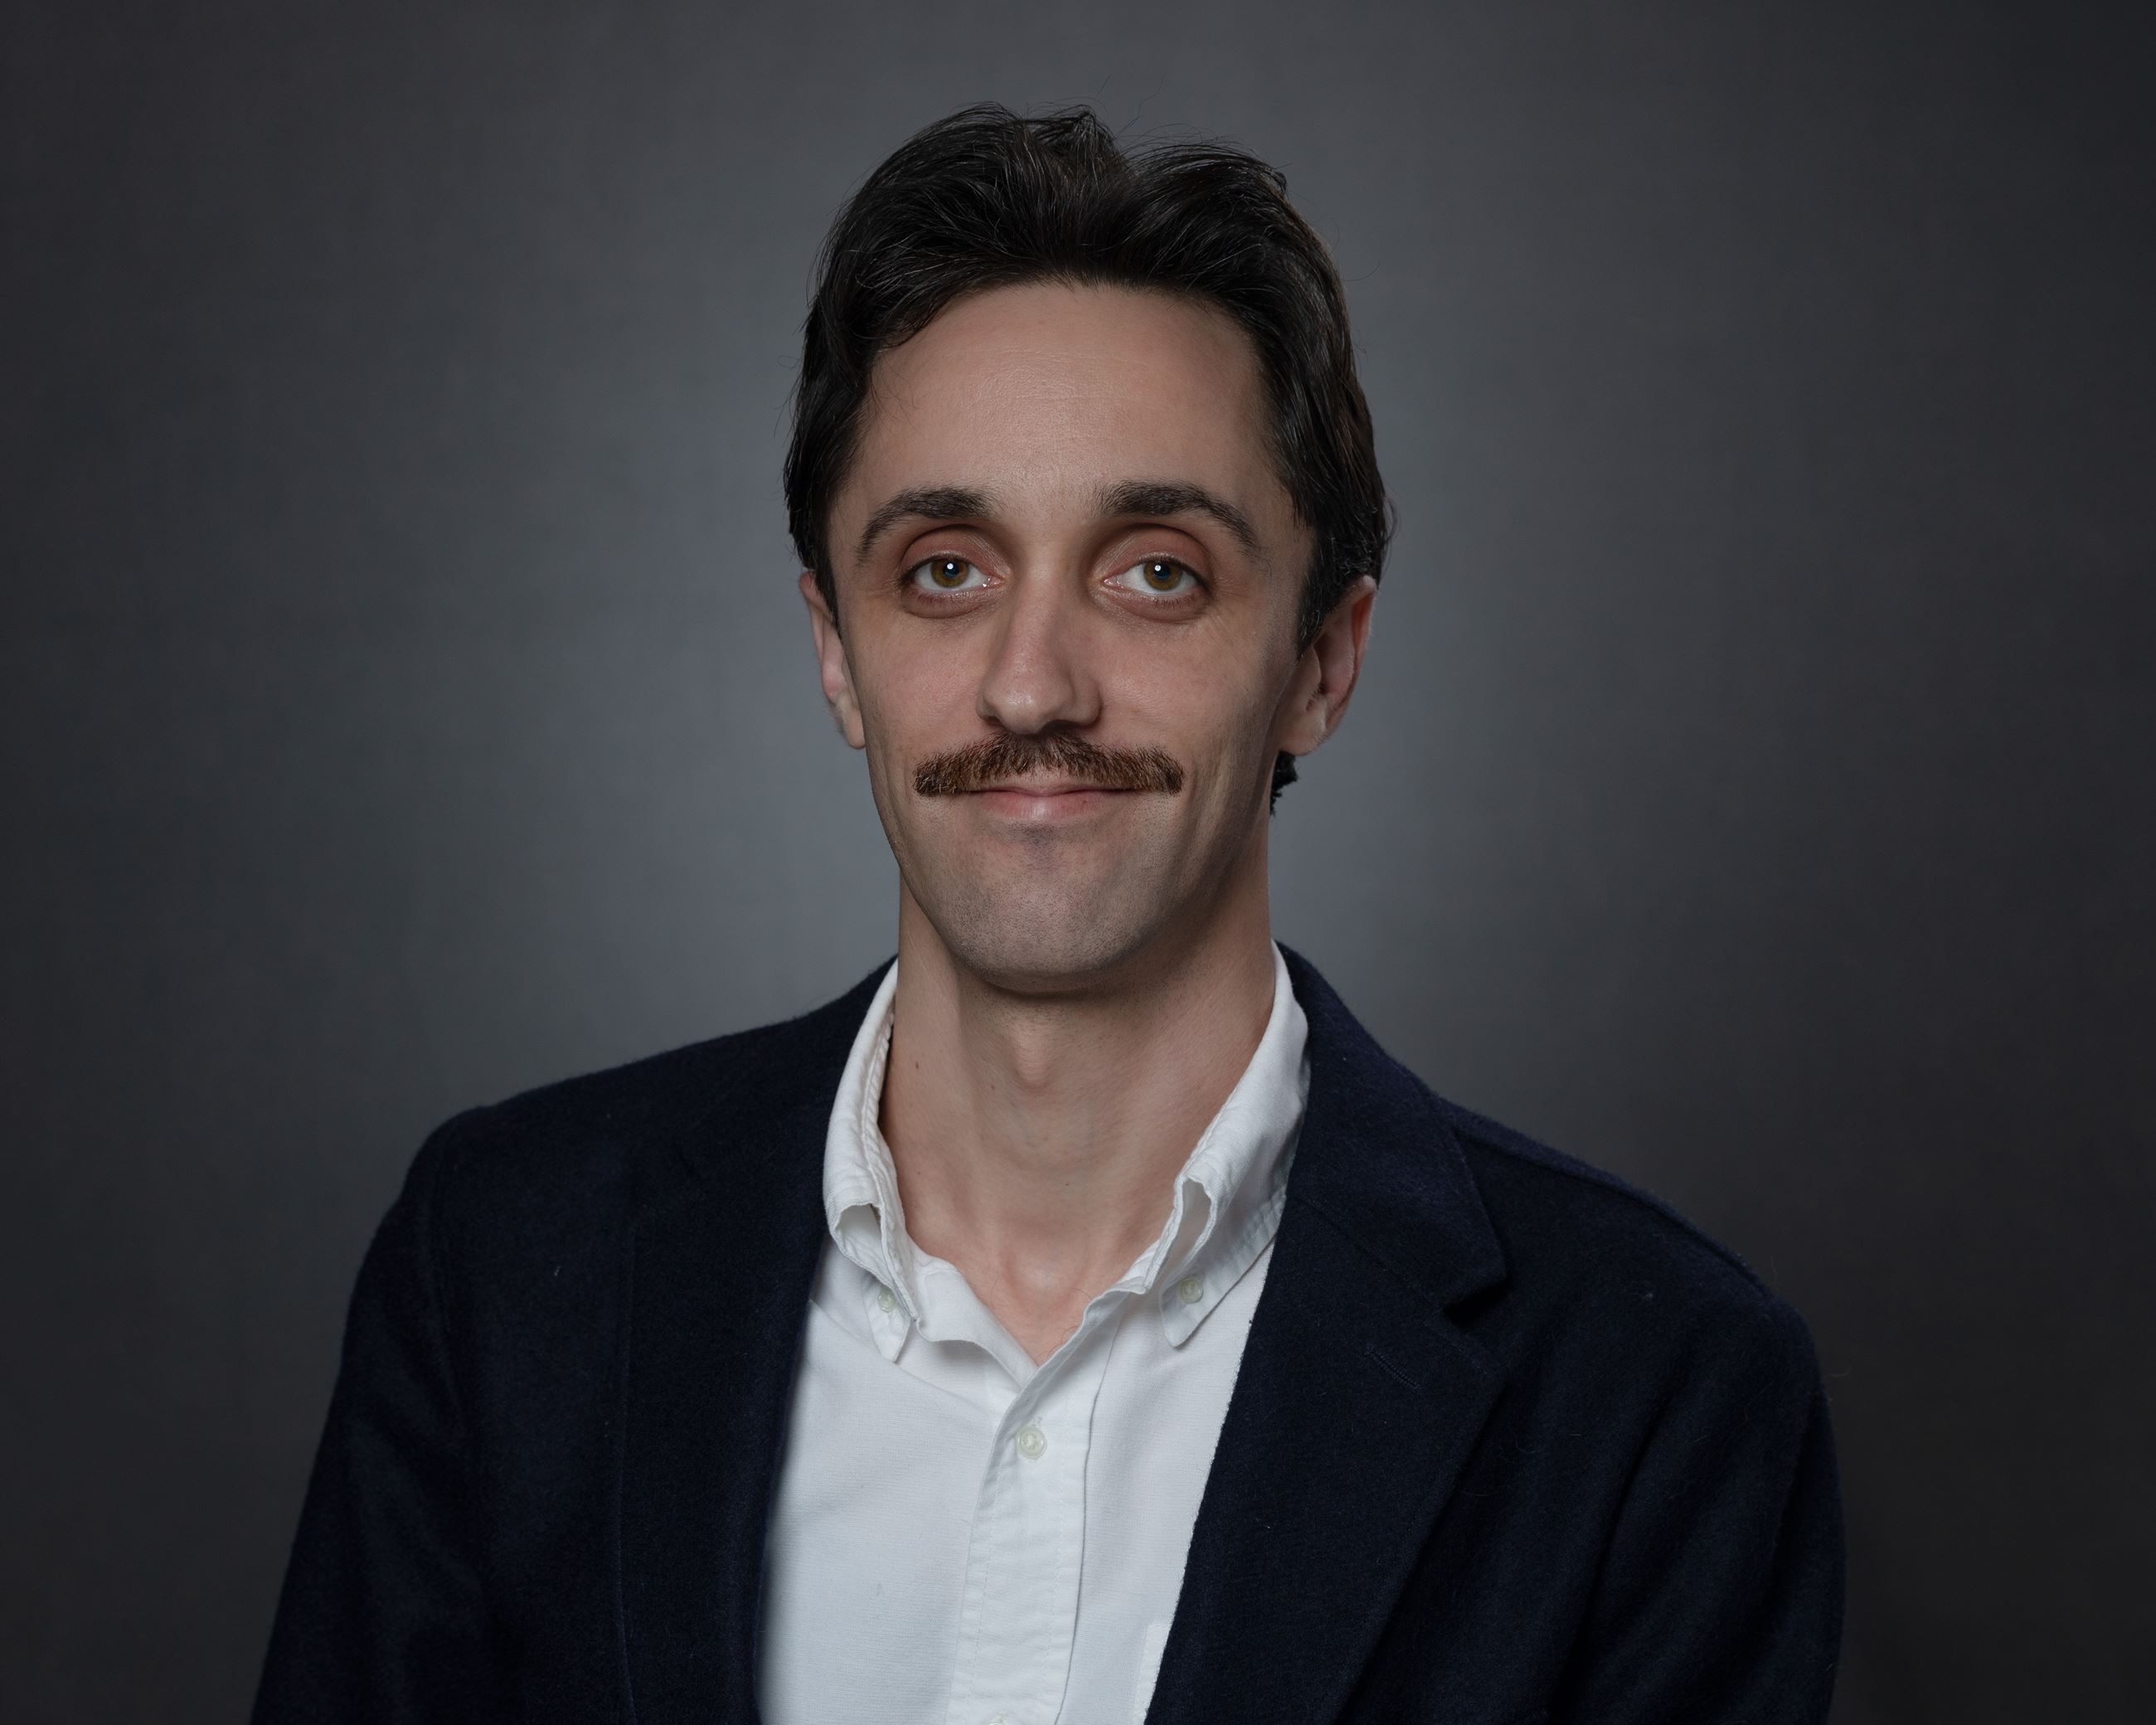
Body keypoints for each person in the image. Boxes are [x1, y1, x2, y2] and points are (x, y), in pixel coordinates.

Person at [252, 104, 1843, 1725]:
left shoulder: (1660, 1391)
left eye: (1154, 570)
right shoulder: (503, 1270)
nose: (1030, 683)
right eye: (944, 568)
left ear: (1322, 658)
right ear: (833, 648)